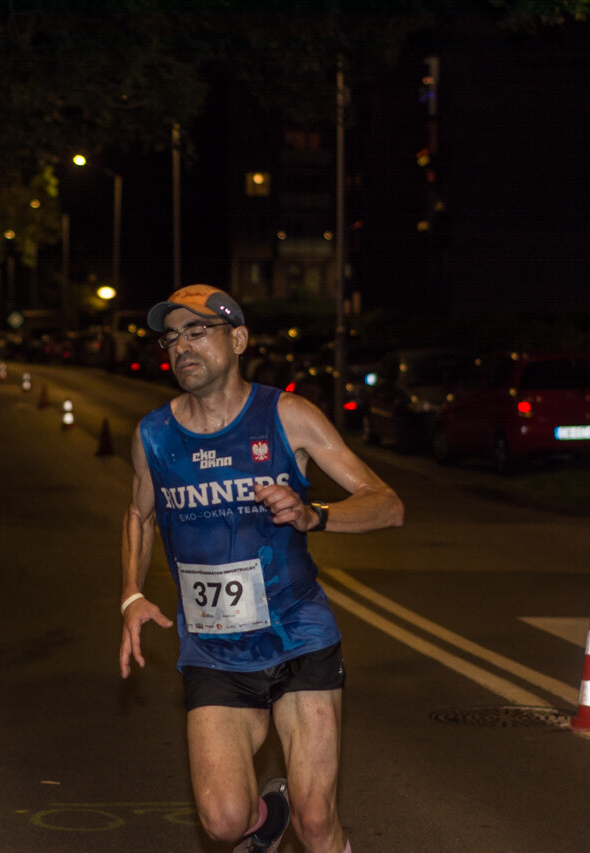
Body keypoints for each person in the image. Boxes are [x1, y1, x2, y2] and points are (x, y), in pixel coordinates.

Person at [118, 284, 404, 853]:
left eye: (197, 332)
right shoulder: (154, 435)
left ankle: (299, 821)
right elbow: (138, 514)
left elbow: (386, 504)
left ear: (239, 339)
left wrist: (312, 514)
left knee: (317, 820)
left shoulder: (287, 415)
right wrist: (129, 594)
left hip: (298, 636)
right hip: (215, 651)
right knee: (224, 823)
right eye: (171, 337)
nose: (181, 347)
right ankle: (265, 819)